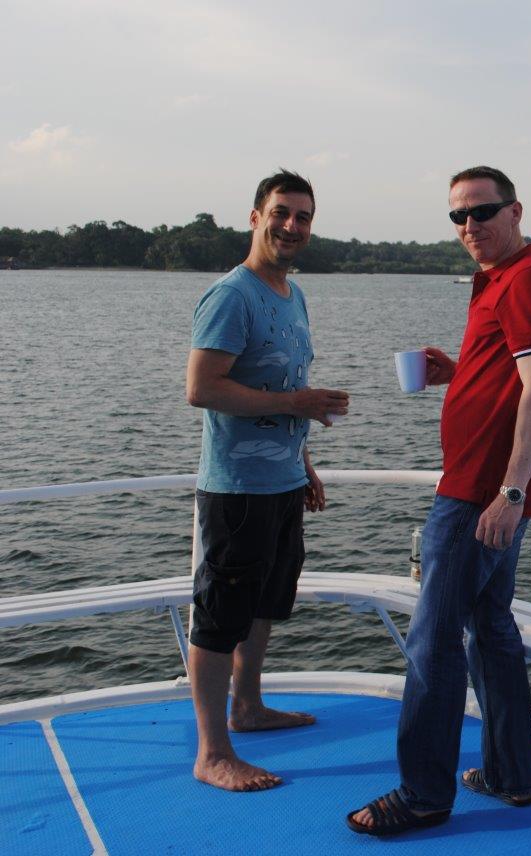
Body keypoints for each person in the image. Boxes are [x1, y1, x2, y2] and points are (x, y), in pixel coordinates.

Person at [348, 165, 531, 836]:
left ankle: (422, 795)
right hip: (488, 488)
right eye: (457, 216)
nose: (469, 225)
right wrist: (460, 371)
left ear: (516, 211)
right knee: (491, 629)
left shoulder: (529, 279)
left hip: (480, 493)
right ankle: (511, 774)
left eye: (482, 211)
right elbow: (511, 374)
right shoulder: (498, 279)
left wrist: (509, 492)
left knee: (433, 641)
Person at [185, 169, 350, 792]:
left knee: (264, 604)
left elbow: (282, 386)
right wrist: (298, 403)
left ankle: (248, 707)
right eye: (281, 212)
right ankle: (212, 753)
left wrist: (302, 462)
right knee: (220, 615)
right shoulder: (232, 295)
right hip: (237, 489)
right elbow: (202, 388)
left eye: (303, 216)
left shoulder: (292, 294)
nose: (291, 225)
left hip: (280, 483)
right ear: (256, 217)